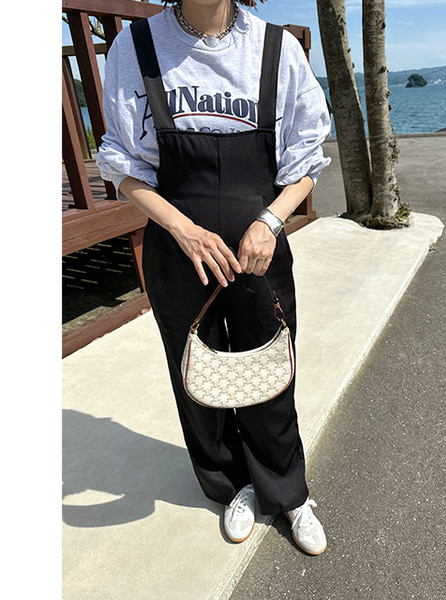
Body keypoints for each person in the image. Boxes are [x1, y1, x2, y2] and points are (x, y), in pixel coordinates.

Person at [96, 0, 331, 556]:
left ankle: (288, 490)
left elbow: (306, 161)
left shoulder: (276, 48)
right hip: (178, 247)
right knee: (197, 377)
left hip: (259, 250)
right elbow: (123, 165)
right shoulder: (136, 47)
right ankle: (232, 485)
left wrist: (270, 222)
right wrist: (183, 229)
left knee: (270, 369)